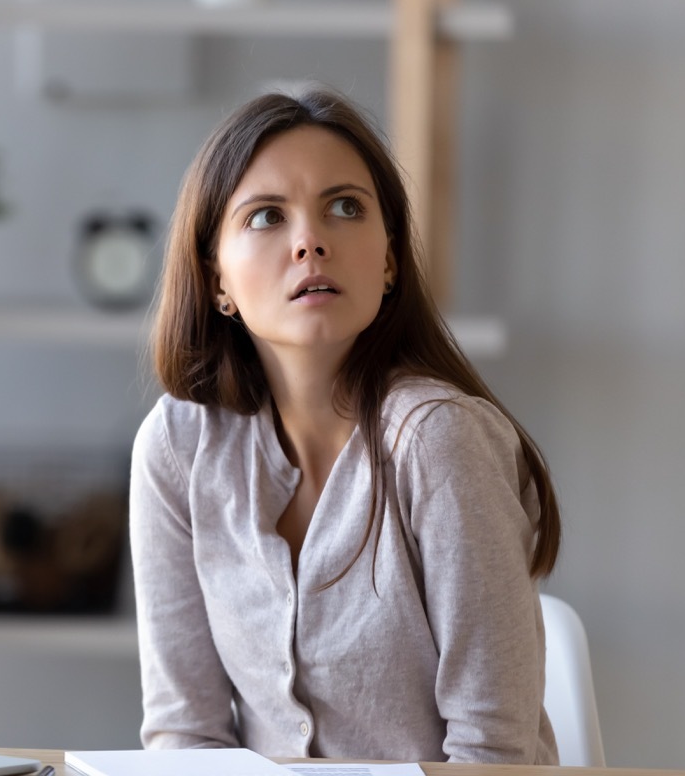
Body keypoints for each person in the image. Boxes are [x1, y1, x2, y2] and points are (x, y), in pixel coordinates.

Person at [129, 88, 561, 765]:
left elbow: (493, 752)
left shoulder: (437, 441)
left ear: (389, 259)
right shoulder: (179, 448)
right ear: (217, 281)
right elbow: (185, 737)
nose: (311, 242)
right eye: (267, 216)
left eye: (345, 207)